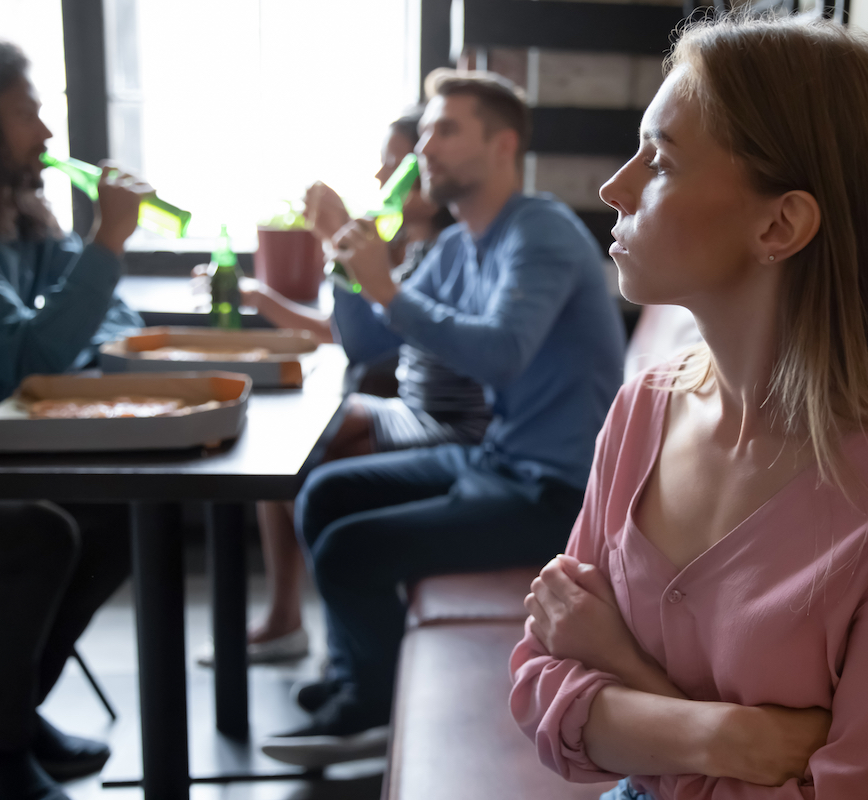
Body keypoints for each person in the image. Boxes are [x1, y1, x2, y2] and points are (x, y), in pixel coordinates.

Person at [510, 14, 868, 800]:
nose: (616, 186)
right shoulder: (644, 407)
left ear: (780, 224)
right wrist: (731, 737)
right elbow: (540, 683)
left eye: (662, 160)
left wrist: (623, 669)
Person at [259, 69, 627, 767]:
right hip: (498, 460)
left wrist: (388, 286)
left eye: (447, 129)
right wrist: (343, 255)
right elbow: (369, 338)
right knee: (323, 492)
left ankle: (369, 710)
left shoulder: (539, 231)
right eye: (425, 130)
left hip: (557, 491)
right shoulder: (459, 245)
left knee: (348, 549)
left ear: (502, 145)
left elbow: (504, 354)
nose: (426, 144)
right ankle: (357, 678)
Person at [195, 110, 488, 669]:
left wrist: (337, 239)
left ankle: (325, 633)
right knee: (290, 454)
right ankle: (303, 624)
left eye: (395, 163)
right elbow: (361, 330)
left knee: (301, 464)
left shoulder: (453, 248)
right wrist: (266, 299)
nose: (383, 178)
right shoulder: (420, 248)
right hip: (410, 409)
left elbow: (361, 341)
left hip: (441, 422)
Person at [0, 38, 149, 800]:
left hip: (0, 443)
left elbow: (110, 319)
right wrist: (109, 238)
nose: (46, 135)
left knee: (120, 513)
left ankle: (5, 713)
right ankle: (0, 757)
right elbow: (26, 363)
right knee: (39, 531)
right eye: (26, 114)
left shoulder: (15, 222)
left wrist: (88, 258)